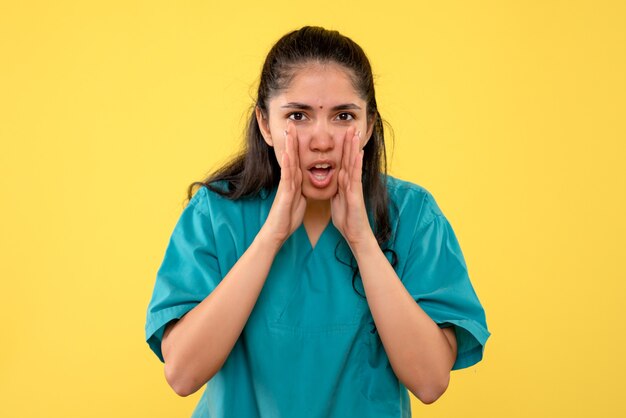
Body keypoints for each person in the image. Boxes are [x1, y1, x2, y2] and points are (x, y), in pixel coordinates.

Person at [144, 26, 490, 417]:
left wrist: (362, 240)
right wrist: (272, 235)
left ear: (369, 126)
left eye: (343, 116)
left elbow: (430, 381)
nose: (322, 139)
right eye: (298, 115)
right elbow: (183, 374)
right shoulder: (217, 212)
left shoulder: (413, 215)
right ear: (265, 124)